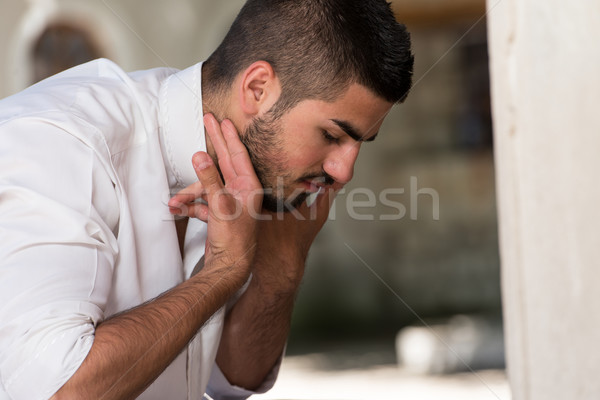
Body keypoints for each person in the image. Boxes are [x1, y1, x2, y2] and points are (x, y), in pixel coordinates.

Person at [0, 0, 413, 399]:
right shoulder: (58, 144)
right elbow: (57, 390)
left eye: (361, 144)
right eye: (332, 135)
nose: (345, 171)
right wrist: (223, 272)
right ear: (257, 88)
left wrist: (282, 265)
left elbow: (231, 379)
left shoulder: (250, 178)